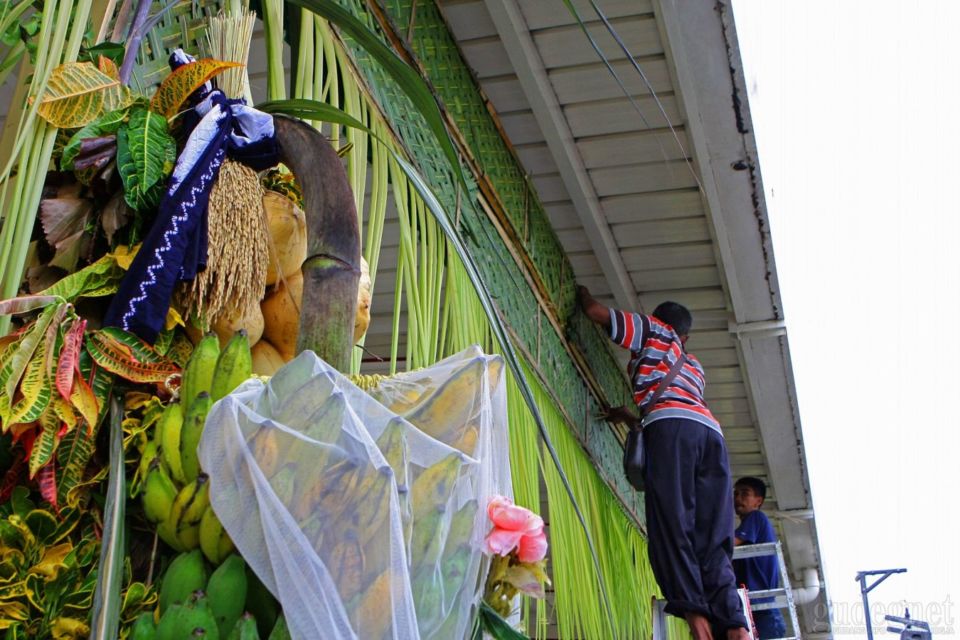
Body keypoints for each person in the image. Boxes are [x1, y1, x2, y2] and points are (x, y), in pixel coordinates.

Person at [578, 286, 750, 640]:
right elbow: (676, 406)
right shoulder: (694, 367)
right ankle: (735, 626)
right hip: (711, 436)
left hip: (672, 430)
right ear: (687, 337)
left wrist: (581, 292)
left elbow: (595, 312)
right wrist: (629, 416)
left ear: (660, 321)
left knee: (672, 526)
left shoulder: (653, 330)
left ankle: (697, 622)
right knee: (713, 537)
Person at [733, 477, 787, 639]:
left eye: (744, 493)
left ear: (758, 501)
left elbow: (727, 545)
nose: (738, 498)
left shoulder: (756, 517)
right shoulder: (751, 528)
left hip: (763, 614)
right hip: (757, 613)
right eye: (735, 494)